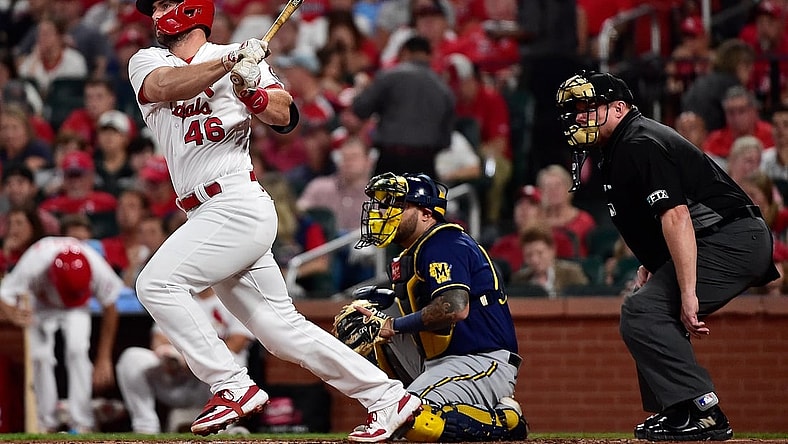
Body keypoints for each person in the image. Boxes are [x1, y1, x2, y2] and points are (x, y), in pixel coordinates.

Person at [128, 0, 421, 438]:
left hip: (236, 200)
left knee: (155, 284)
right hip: (205, 211)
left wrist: (254, 94)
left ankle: (230, 385)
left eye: (164, 3)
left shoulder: (240, 57)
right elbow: (166, 87)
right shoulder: (150, 59)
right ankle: (387, 397)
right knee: (282, 333)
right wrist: (230, 62)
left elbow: (286, 116)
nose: (155, 13)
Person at [555, 70, 779, 441]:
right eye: (575, 110)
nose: (579, 117)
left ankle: (702, 410)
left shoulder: (641, 141)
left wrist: (688, 291)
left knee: (643, 311)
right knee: (643, 310)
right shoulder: (623, 145)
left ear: (618, 108)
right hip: (717, 237)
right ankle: (678, 409)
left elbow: (677, 214)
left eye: (587, 107)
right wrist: (653, 264)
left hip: (731, 239)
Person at [348, 171, 528, 441]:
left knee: (410, 415)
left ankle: (505, 422)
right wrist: (377, 315)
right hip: (440, 362)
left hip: (481, 360)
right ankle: (405, 399)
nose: (385, 212)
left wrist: (391, 325)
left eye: (396, 204)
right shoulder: (412, 253)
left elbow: (455, 307)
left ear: (426, 213)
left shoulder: (444, 242)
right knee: (369, 314)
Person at [0, 236, 123, 433]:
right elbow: (4, 294)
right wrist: (13, 314)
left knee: (77, 350)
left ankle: (82, 422)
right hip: (42, 304)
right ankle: (46, 421)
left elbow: (110, 306)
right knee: (40, 357)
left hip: (77, 308)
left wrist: (104, 357)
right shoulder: (35, 261)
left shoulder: (95, 264)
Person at [351, 35, 455, 179]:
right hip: (425, 163)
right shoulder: (444, 89)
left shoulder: (388, 77)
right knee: (420, 201)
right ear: (429, 56)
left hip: (390, 161)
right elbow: (446, 140)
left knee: (386, 201)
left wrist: (359, 89)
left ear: (405, 52)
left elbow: (361, 109)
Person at [510, 226, 589, 298]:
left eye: (540, 253)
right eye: (529, 255)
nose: (534, 259)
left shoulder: (571, 274)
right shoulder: (519, 280)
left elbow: (585, 302)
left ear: (552, 250)